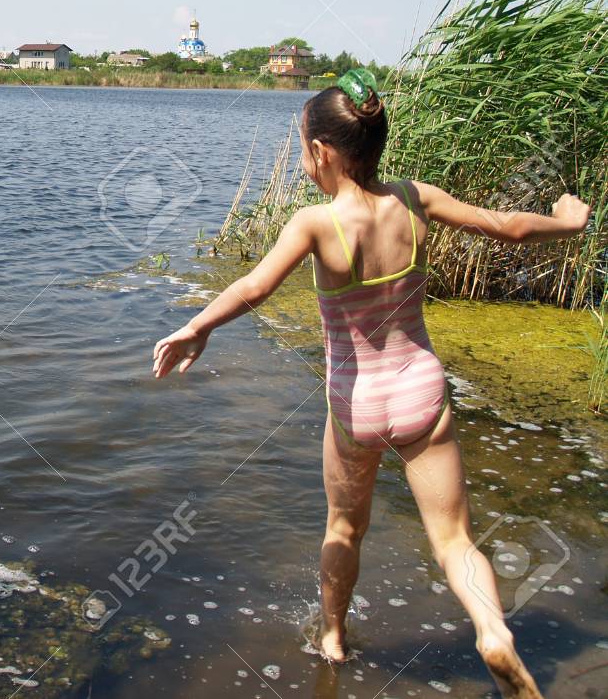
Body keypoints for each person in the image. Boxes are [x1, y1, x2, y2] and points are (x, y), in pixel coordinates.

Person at [151, 69, 589, 699]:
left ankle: (331, 638)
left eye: (303, 145)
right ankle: (492, 631)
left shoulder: (314, 223)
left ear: (322, 152)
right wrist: (568, 222)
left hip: (356, 404)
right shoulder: (413, 199)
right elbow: (508, 226)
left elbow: (253, 288)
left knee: (342, 528)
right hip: (422, 394)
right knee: (454, 537)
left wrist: (196, 327)